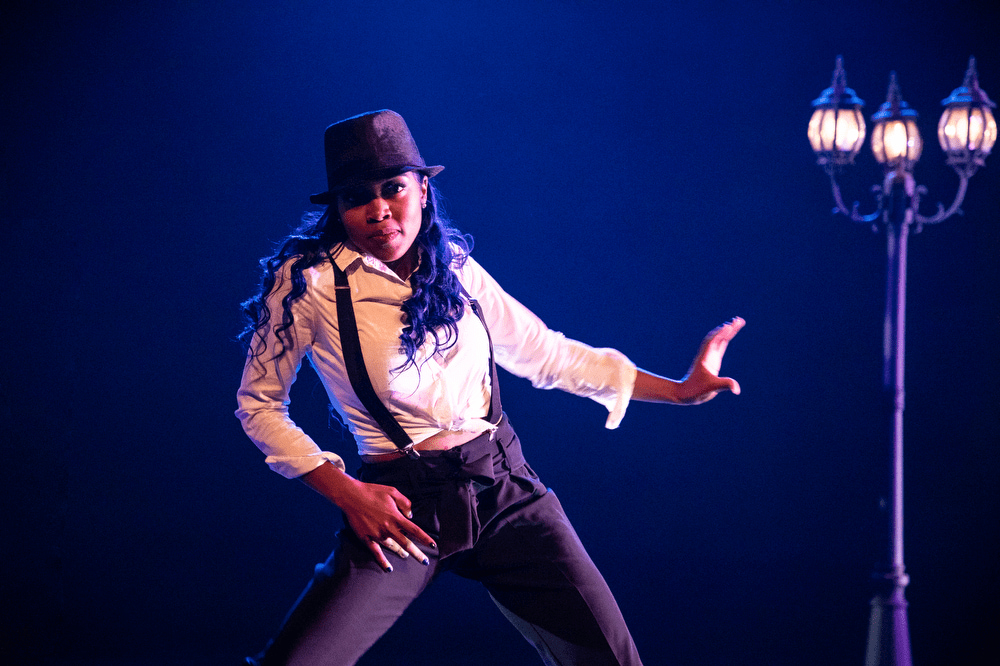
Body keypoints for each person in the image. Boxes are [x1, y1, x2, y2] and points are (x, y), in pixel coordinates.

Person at [236, 109, 744, 666]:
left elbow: (545, 352)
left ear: (423, 190)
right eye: (358, 197)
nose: (379, 209)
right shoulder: (307, 283)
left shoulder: (453, 265)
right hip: (401, 505)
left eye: (393, 188)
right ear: (339, 209)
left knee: (613, 660)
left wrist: (676, 390)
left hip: (503, 488)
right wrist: (348, 492)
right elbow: (259, 404)